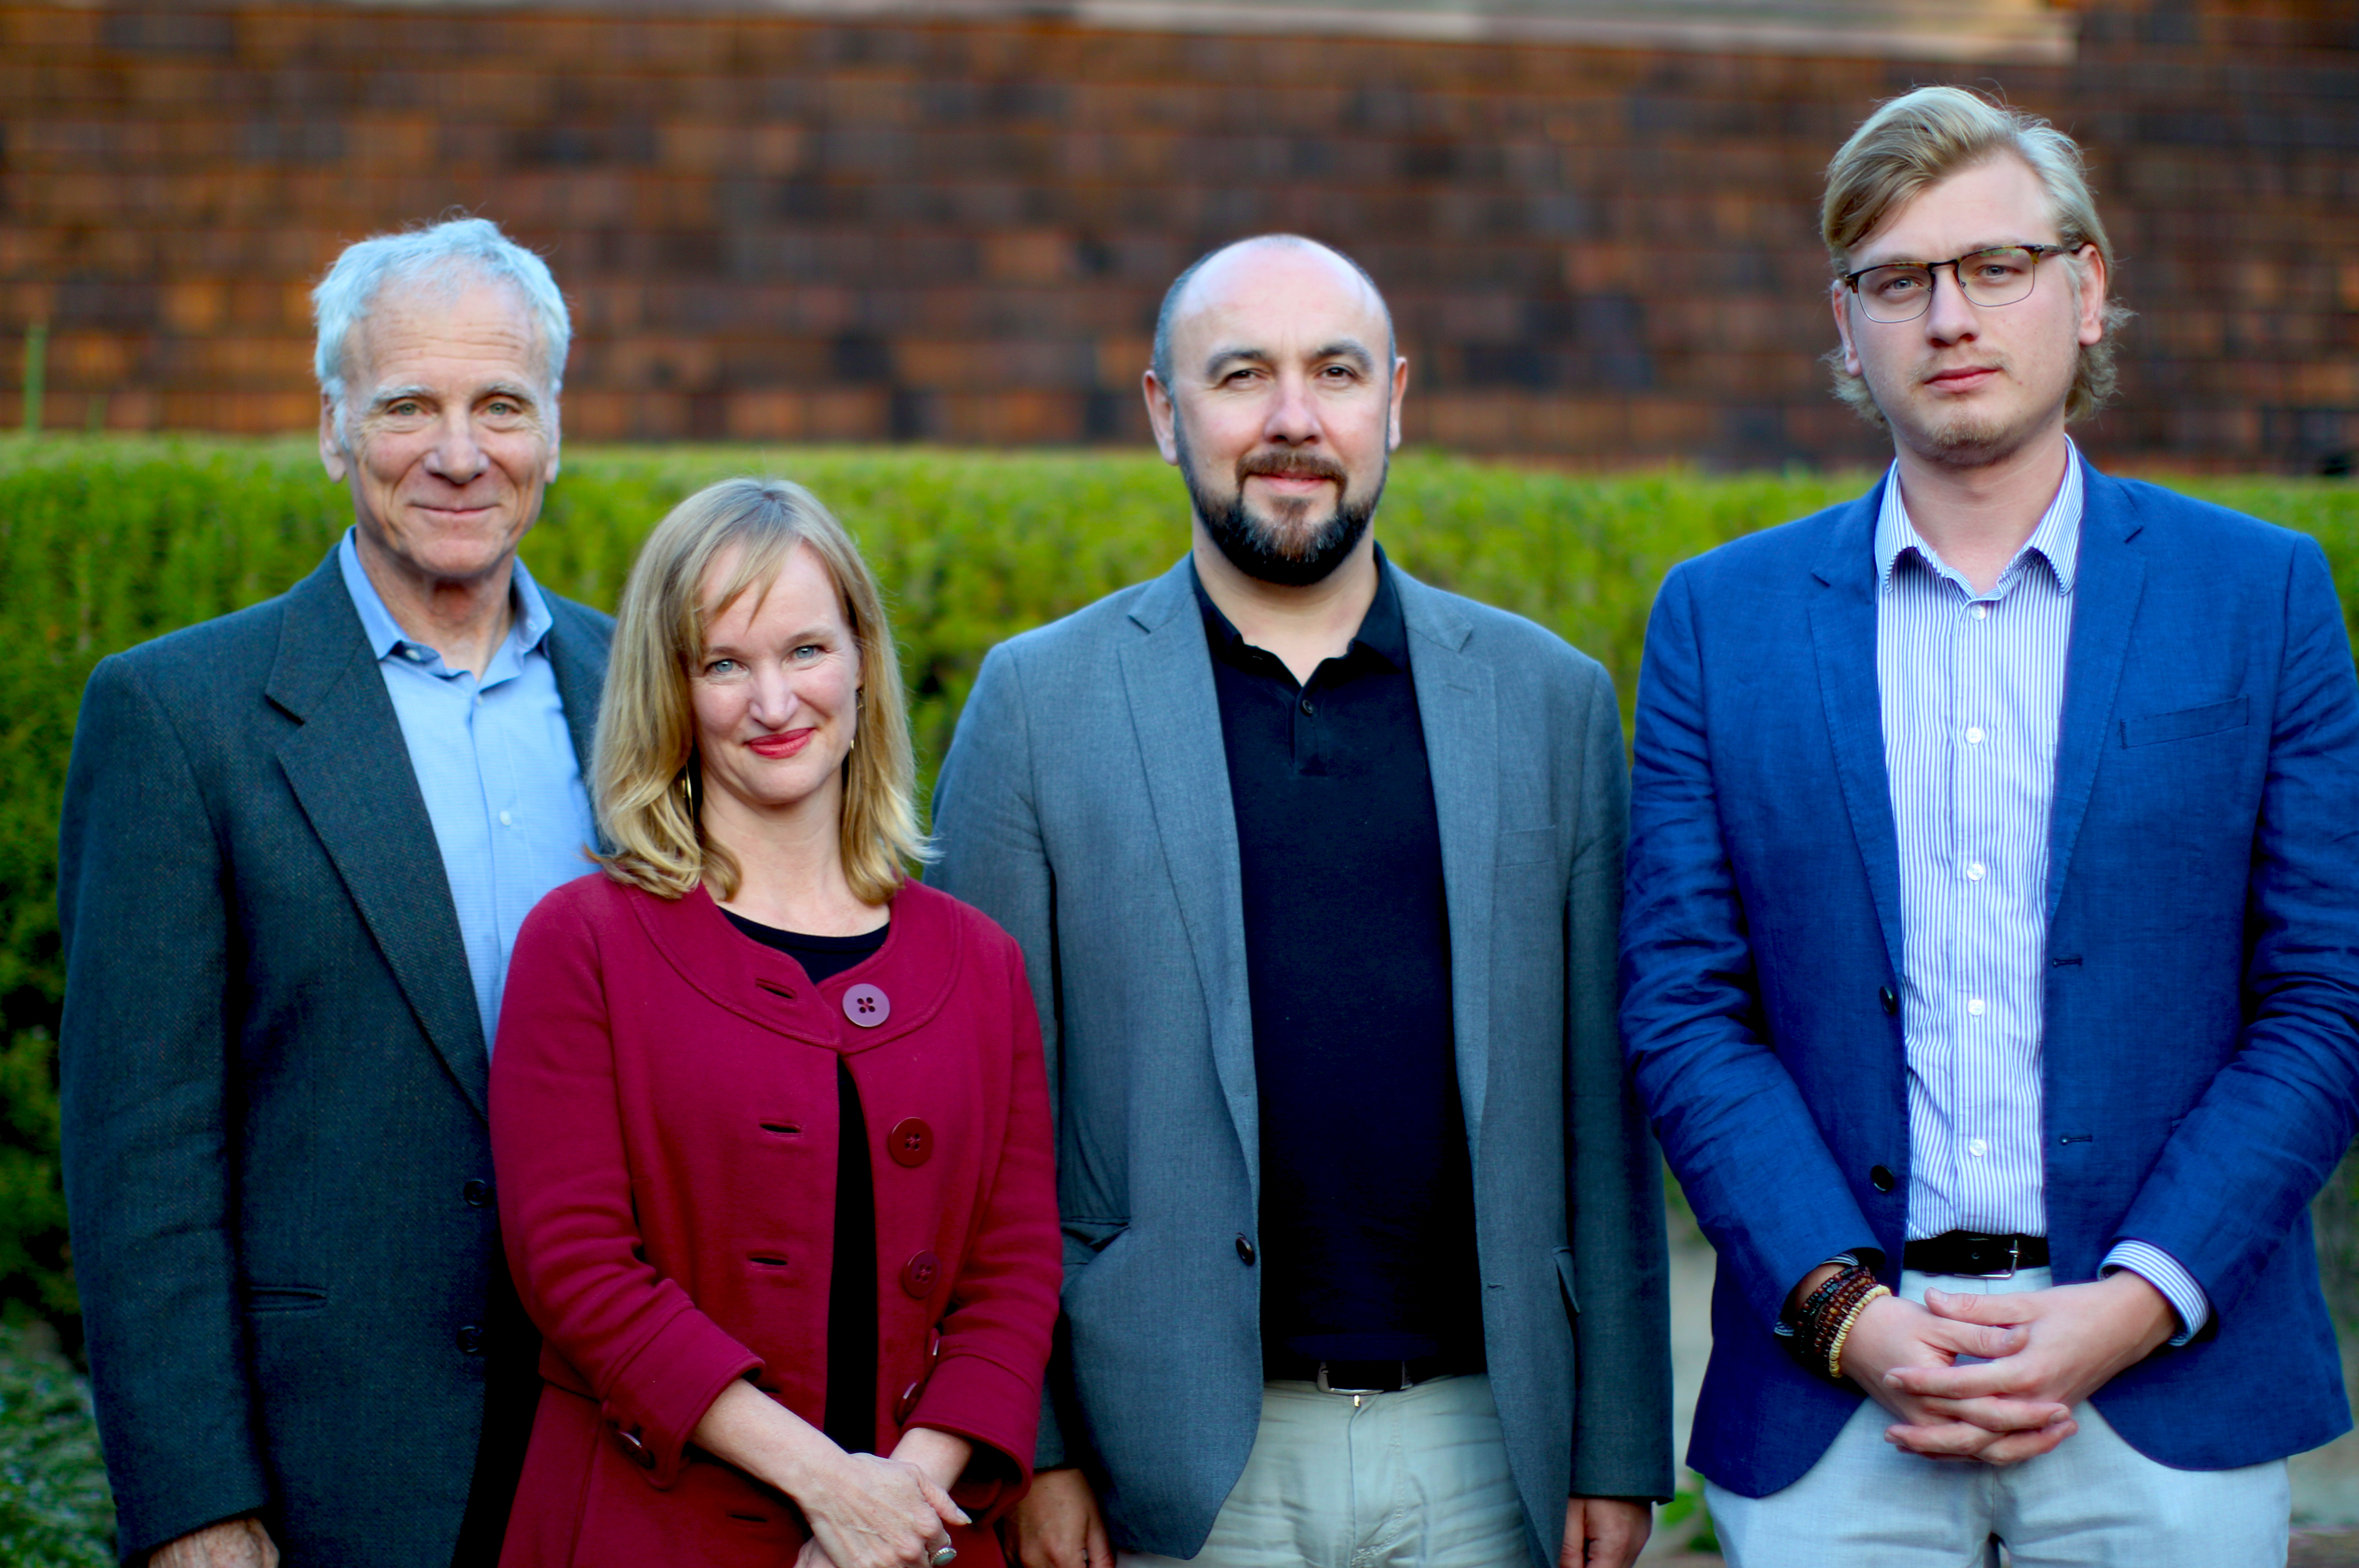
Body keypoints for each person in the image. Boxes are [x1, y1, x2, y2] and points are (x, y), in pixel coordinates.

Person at [1619, 85, 2359, 1567]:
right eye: (1900, 281)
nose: (1949, 314)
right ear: (1847, 326)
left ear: (2085, 290)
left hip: (2167, 1385)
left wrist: (2134, 1298)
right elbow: (1687, 1006)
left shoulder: (2259, 597)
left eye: (1994, 268)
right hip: (1835, 1404)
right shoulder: (1722, 620)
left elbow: (2323, 997)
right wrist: (1850, 1315)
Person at [929, 234, 1672, 1568]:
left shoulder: (1548, 703)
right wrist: (1032, 1443)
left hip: (1485, 1451)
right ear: (1166, 413)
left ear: (1395, 399)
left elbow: (1600, 1120)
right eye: (1240, 375)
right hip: (1168, 1458)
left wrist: (1617, 1445)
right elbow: (985, 1118)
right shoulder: (1039, 706)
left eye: (1333, 372)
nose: (1292, 418)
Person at [57, 216, 610, 1566]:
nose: (461, 453)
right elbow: (141, 1155)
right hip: (328, 1471)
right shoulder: (179, 718)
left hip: (616, 1457)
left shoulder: (641, 690)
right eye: (409, 405)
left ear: (553, 427)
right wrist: (194, 1498)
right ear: (332, 427)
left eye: (501, 406)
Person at [488, 477, 1061, 1568]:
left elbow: (1017, 1267)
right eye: (723, 664)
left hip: (923, 1538)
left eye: (805, 651)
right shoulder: (587, 942)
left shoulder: (979, 962)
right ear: (671, 691)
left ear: (861, 664)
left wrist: (900, 1500)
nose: (774, 702)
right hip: (647, 1528)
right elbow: (574, 1265)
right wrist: (826, 1488)